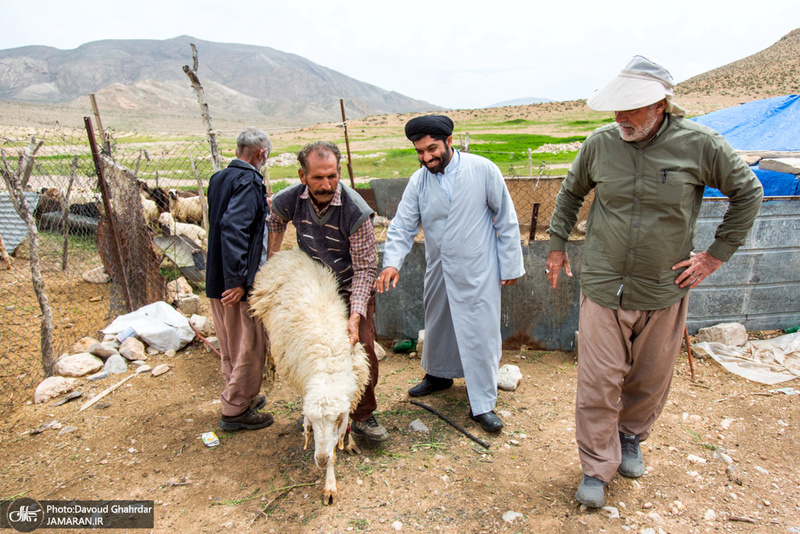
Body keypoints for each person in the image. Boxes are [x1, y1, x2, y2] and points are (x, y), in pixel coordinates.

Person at [545, 56, 764, 508]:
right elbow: (570, 193)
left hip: (663, 286)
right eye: (616, 108)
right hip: (604, 283)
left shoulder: (701, 145)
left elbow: (748, 192)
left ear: (660, 105)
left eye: (631, 108)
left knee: (648, 378)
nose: (620, 117)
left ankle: (630, 437)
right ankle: (595, 466)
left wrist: (714, 256)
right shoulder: (600, 144)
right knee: (598, 380)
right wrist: (557, 245)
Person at [376, 115, 525, 433]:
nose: (426, 157)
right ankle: (439, 376)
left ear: (449, 141)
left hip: (479, 270)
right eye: (419, 152)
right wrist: (391, 263)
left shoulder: (483, 170)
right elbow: (403, 225)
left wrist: (510, 264)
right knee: (438, 326)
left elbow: (506, 218)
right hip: (439, 268)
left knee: (480, 334)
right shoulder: (419, 181)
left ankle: (482, 403)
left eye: (432, 149)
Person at [266, 141, 388, 442]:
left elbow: (365, 270)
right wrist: (274, 265)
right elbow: (275, 220)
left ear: (339, 173)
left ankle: (362, 414)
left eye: (332, 176)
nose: (326, 184)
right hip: (314, 287)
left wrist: (356, 315)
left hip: (350, 285)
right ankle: (318, 407)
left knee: (360, 345)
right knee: (312, 348)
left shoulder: (355, 211)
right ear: (302, 176)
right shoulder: (289, 199)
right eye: (318, 177)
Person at [206, 127, 274, 431]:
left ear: (237, 150)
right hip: (236, 282)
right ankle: (235, 409)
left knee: (231, 344)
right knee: (250, 344)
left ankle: (241, 397)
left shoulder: (219, 178)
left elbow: (221, 224)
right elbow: (234, 228)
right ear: (262, 154)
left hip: (216, 276)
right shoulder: (249, 182)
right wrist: (237, 281)